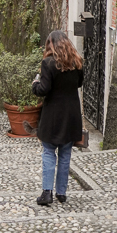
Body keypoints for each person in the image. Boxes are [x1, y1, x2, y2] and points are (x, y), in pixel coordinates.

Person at [31, 30, 84, 206]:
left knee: (48, 152)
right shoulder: (77, 62)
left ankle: (47, 193)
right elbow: (79, 83)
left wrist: (35, 85)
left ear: (51, 44)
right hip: (71, 115)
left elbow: (43, 90)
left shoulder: (48, 63)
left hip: (53, 116)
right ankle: (62, 193)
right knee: (65, 154)